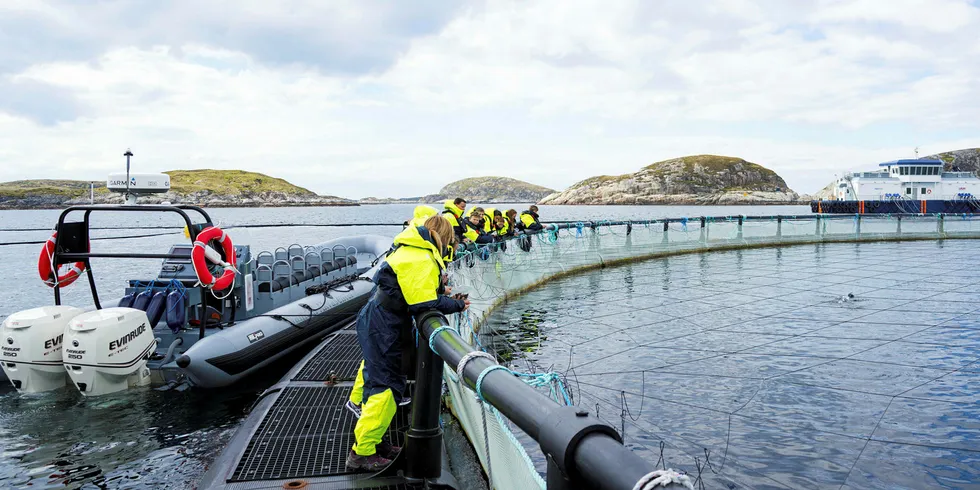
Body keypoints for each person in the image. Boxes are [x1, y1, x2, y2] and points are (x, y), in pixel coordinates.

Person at [347, 215, 469, 472]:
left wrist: (442, 294)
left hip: (380, 320)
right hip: (385, 326)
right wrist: (457, 304)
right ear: (443, 237)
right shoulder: (422, 258)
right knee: (386, 386)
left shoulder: (411, 248)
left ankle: (374, 441)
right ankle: (362, 452)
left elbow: (416, 291)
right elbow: (423, 304)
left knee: (381, 379)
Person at [348, 204, 442, 418]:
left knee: (373, 362)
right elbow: (421, 301)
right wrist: (449, 302)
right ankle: (365, 442)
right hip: (385, 317)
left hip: (381, 312)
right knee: (383, 378)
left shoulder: (408, 239)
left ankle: (358, 404)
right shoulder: (419, 249)